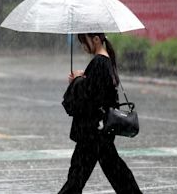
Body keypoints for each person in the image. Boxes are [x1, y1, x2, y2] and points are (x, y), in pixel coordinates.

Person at [59, 33, 142, 194]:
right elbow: (98, 92)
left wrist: (76, 80)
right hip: (100, 131)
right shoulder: (106, 62)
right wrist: (81, 79)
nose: (83, 47)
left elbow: (89, 97)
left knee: (77, 179)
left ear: (96, 39)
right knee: (117, 174)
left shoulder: (98, 62)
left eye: (85, 42)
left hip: (92, 132)